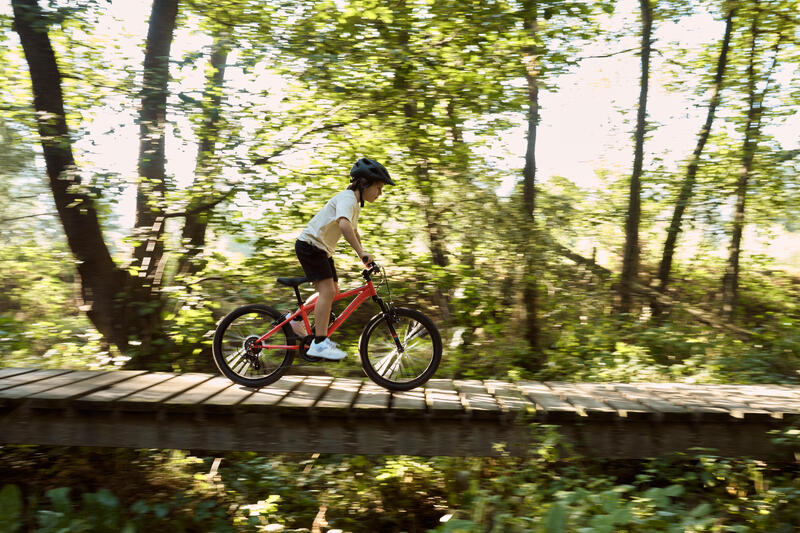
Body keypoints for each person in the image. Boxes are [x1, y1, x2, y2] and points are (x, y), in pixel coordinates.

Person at [294, 157, 395, 360]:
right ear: (364, 183)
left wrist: (363, 255)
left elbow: (353, 230)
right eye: (379, 187)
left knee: (332, 291)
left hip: (320, 250)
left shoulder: (354, 204)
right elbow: (343, 225)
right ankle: (319, 343)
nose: (380, 193)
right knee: (328, 291)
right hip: (311, 246)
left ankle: (295, 320)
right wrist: (361, 253)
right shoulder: (348, 198)